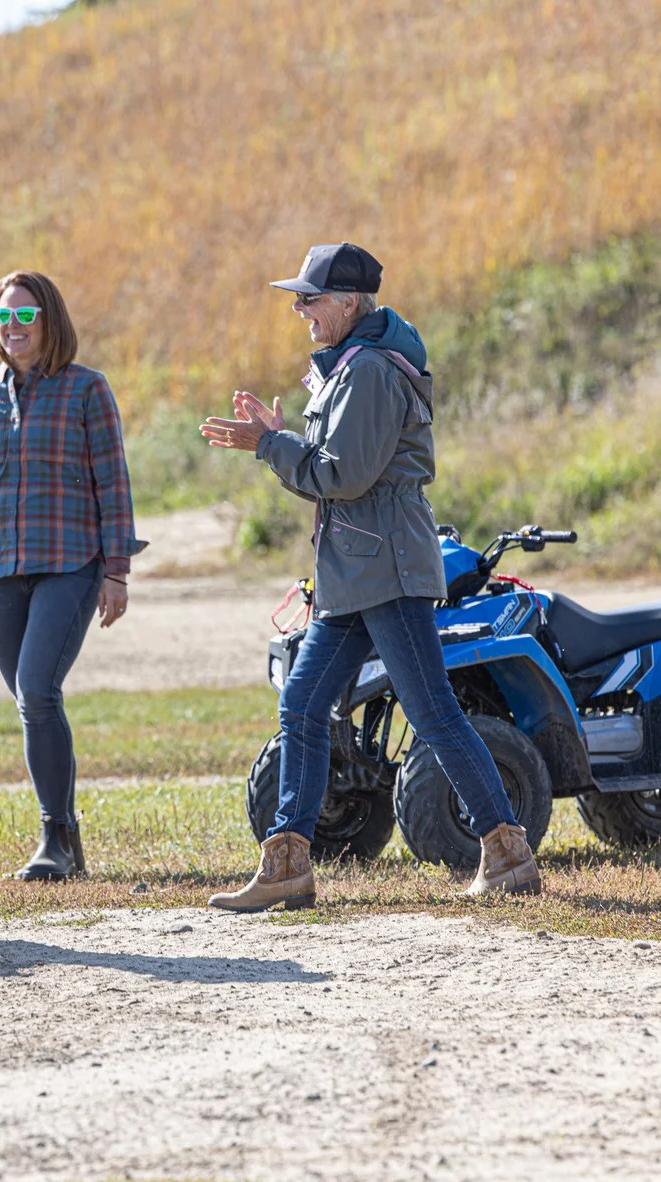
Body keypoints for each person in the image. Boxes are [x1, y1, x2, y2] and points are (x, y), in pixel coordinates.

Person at [200, 242, 541, 908]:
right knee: (302, 705)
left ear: (350, 301)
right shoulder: (353, 366)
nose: (300, 310)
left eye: (310, 299)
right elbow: (332, 471)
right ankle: (288, 866)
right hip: (357, 572)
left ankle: (507, 854)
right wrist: (279, 440)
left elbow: (342, 476)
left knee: (433, 712)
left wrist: (269, 444)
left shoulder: (371, 373)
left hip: (385, 568)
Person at [0, 269, 145, 881]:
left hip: (71, 564)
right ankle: (66, 840)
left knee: (38, 690)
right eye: (3, 316)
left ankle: (54, 838)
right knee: (31, 701)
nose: (12, 326)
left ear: (49, 320)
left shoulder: (87, 389)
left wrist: (116, 572)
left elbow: (113, 484)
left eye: (25, 315)